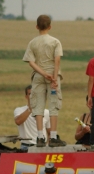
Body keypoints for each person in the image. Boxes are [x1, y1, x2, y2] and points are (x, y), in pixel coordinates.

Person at [23, 14, 65, 147]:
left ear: (36, 26)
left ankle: (40, 137)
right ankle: (52, 137)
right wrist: (53, 76)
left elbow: (31, 62)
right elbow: (57, 59)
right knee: (53, 105)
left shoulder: (32, 42)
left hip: (38, 76)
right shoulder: (55, 41)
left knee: (38, 106)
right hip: (53, 76)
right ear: (50, 26)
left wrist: (42, 73)